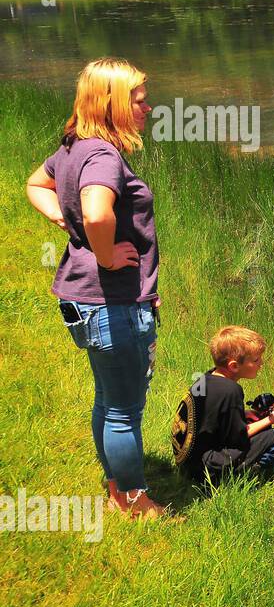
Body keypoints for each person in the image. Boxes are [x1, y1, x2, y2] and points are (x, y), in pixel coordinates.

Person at [25, 57, 167, 518]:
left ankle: (115, 487)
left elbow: (36, 183)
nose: (148, 108)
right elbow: (98, 212)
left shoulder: (75, 146)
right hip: (112, 302)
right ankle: (134, 501)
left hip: (83, 297)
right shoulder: (104, 156)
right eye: (138, 101)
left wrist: (58, 215)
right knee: (125, 407)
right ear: (111, 104)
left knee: (108, 397)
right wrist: (104, 252)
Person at [185, 326, 274, 485]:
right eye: (255, 360)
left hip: (187, 461)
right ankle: (240, 477)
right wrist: (270, 419)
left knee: (256, 423)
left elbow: (212, 417)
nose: (261, 363)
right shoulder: (231, 391)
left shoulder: (204, 378)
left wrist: (244, 414)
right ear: (234, 366)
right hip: (204, 471)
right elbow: (238, 438)